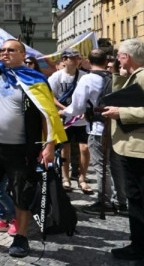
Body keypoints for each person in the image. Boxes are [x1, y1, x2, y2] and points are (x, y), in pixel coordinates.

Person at [0, 8, 65, 258]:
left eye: (11, 50)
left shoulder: (35, 80)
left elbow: (47, 114)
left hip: (21, 150)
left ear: (22, 54)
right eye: (1, 50)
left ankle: (21, 236)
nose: (4, 53)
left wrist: (49, 145)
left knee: (22, 194)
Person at [61, 48, 126, 215]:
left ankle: (103, 201)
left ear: (88, 62)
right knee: (116, 164)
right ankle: (120, 201)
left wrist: (64, 112)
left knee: (101, 166)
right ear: (106, 62)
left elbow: (77, 107)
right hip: (116, 127)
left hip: (98, 128)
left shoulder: (87, 79)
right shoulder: (115, 77)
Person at [101, 38, 144, 261]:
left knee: (139, 201)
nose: (116, 58)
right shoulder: (134, 76)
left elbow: (130, 109)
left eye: (119, 55)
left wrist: (122, 113)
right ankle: (138, 245)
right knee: (135, 200)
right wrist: (120, 74)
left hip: (139, 150)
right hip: (131, 149)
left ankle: (140, 248)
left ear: (126, 56)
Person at [49, 48, 91, 192]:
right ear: (64, 60)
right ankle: (65, 178)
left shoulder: (85, 76)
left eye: (77, 58)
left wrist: (84, 111)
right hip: (64, 118)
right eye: (72, 58)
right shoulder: (56, 77)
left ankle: (82, 178)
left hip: (81, 119)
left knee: (84, 149)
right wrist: (65, 109)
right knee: (64, 149)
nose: (75, 60)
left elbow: (90, 96)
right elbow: (50, 95)